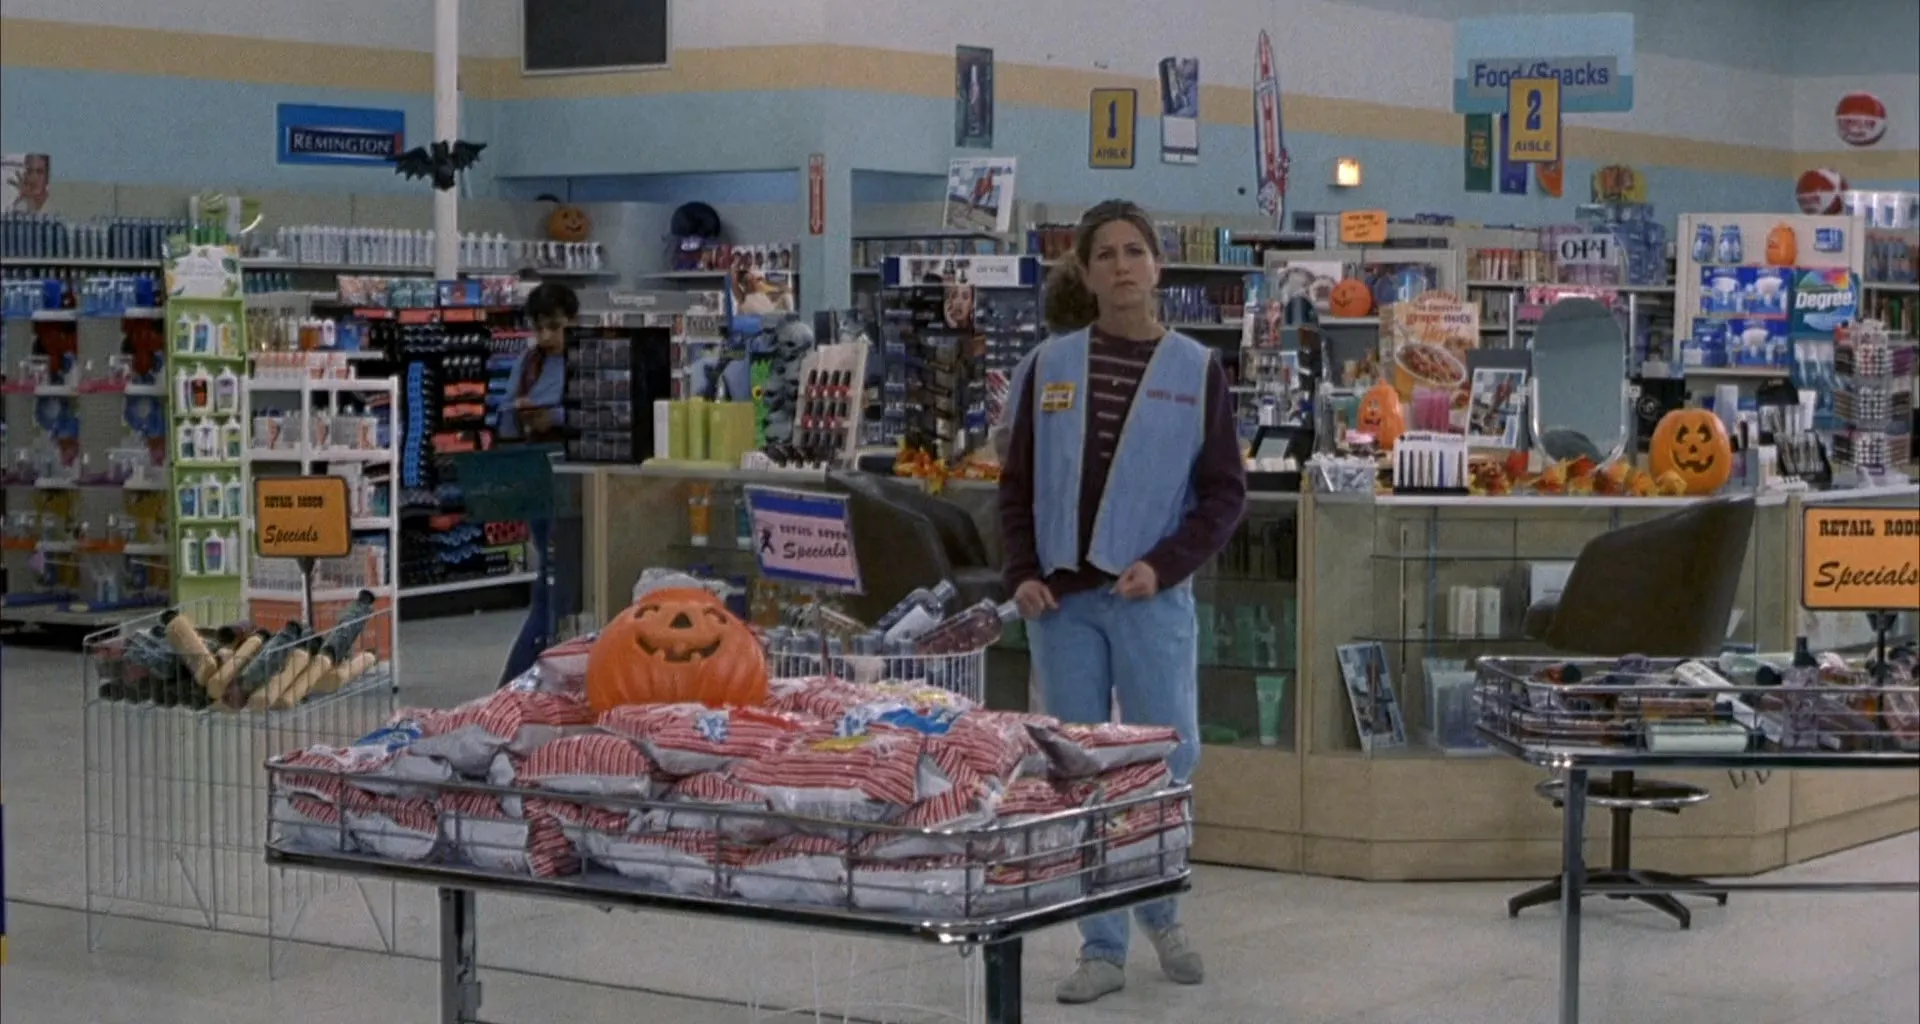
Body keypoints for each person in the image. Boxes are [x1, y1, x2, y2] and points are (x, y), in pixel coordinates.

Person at [997, 200, 1247, 1005]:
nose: (1121, 267)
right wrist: (1022, 571)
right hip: (1062, 605)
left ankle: (1162, 912)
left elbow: (1224, 496)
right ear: (1085, 271)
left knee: (1164, 763)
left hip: (1149, 599)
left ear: (1157, 265)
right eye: (1104, 254)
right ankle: (1100, 945)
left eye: (1134, 251)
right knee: (1080, 772)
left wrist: (1164, 566)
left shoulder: (1195, 370)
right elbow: (1017, 484)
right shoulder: (1050, 364)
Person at [497, 281, 577, 685]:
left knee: (556, 578)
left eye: (554, 327)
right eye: (539, 328)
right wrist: (519, 412)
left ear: (573, 321)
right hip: (537, 476)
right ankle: (524, 680)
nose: (546, 336)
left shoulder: (586, 360)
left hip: (577, 480)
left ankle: (518, 680)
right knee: (550, 572)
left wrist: (556, 417)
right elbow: (502, 415)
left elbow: (598, 412)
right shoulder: (529, 363)